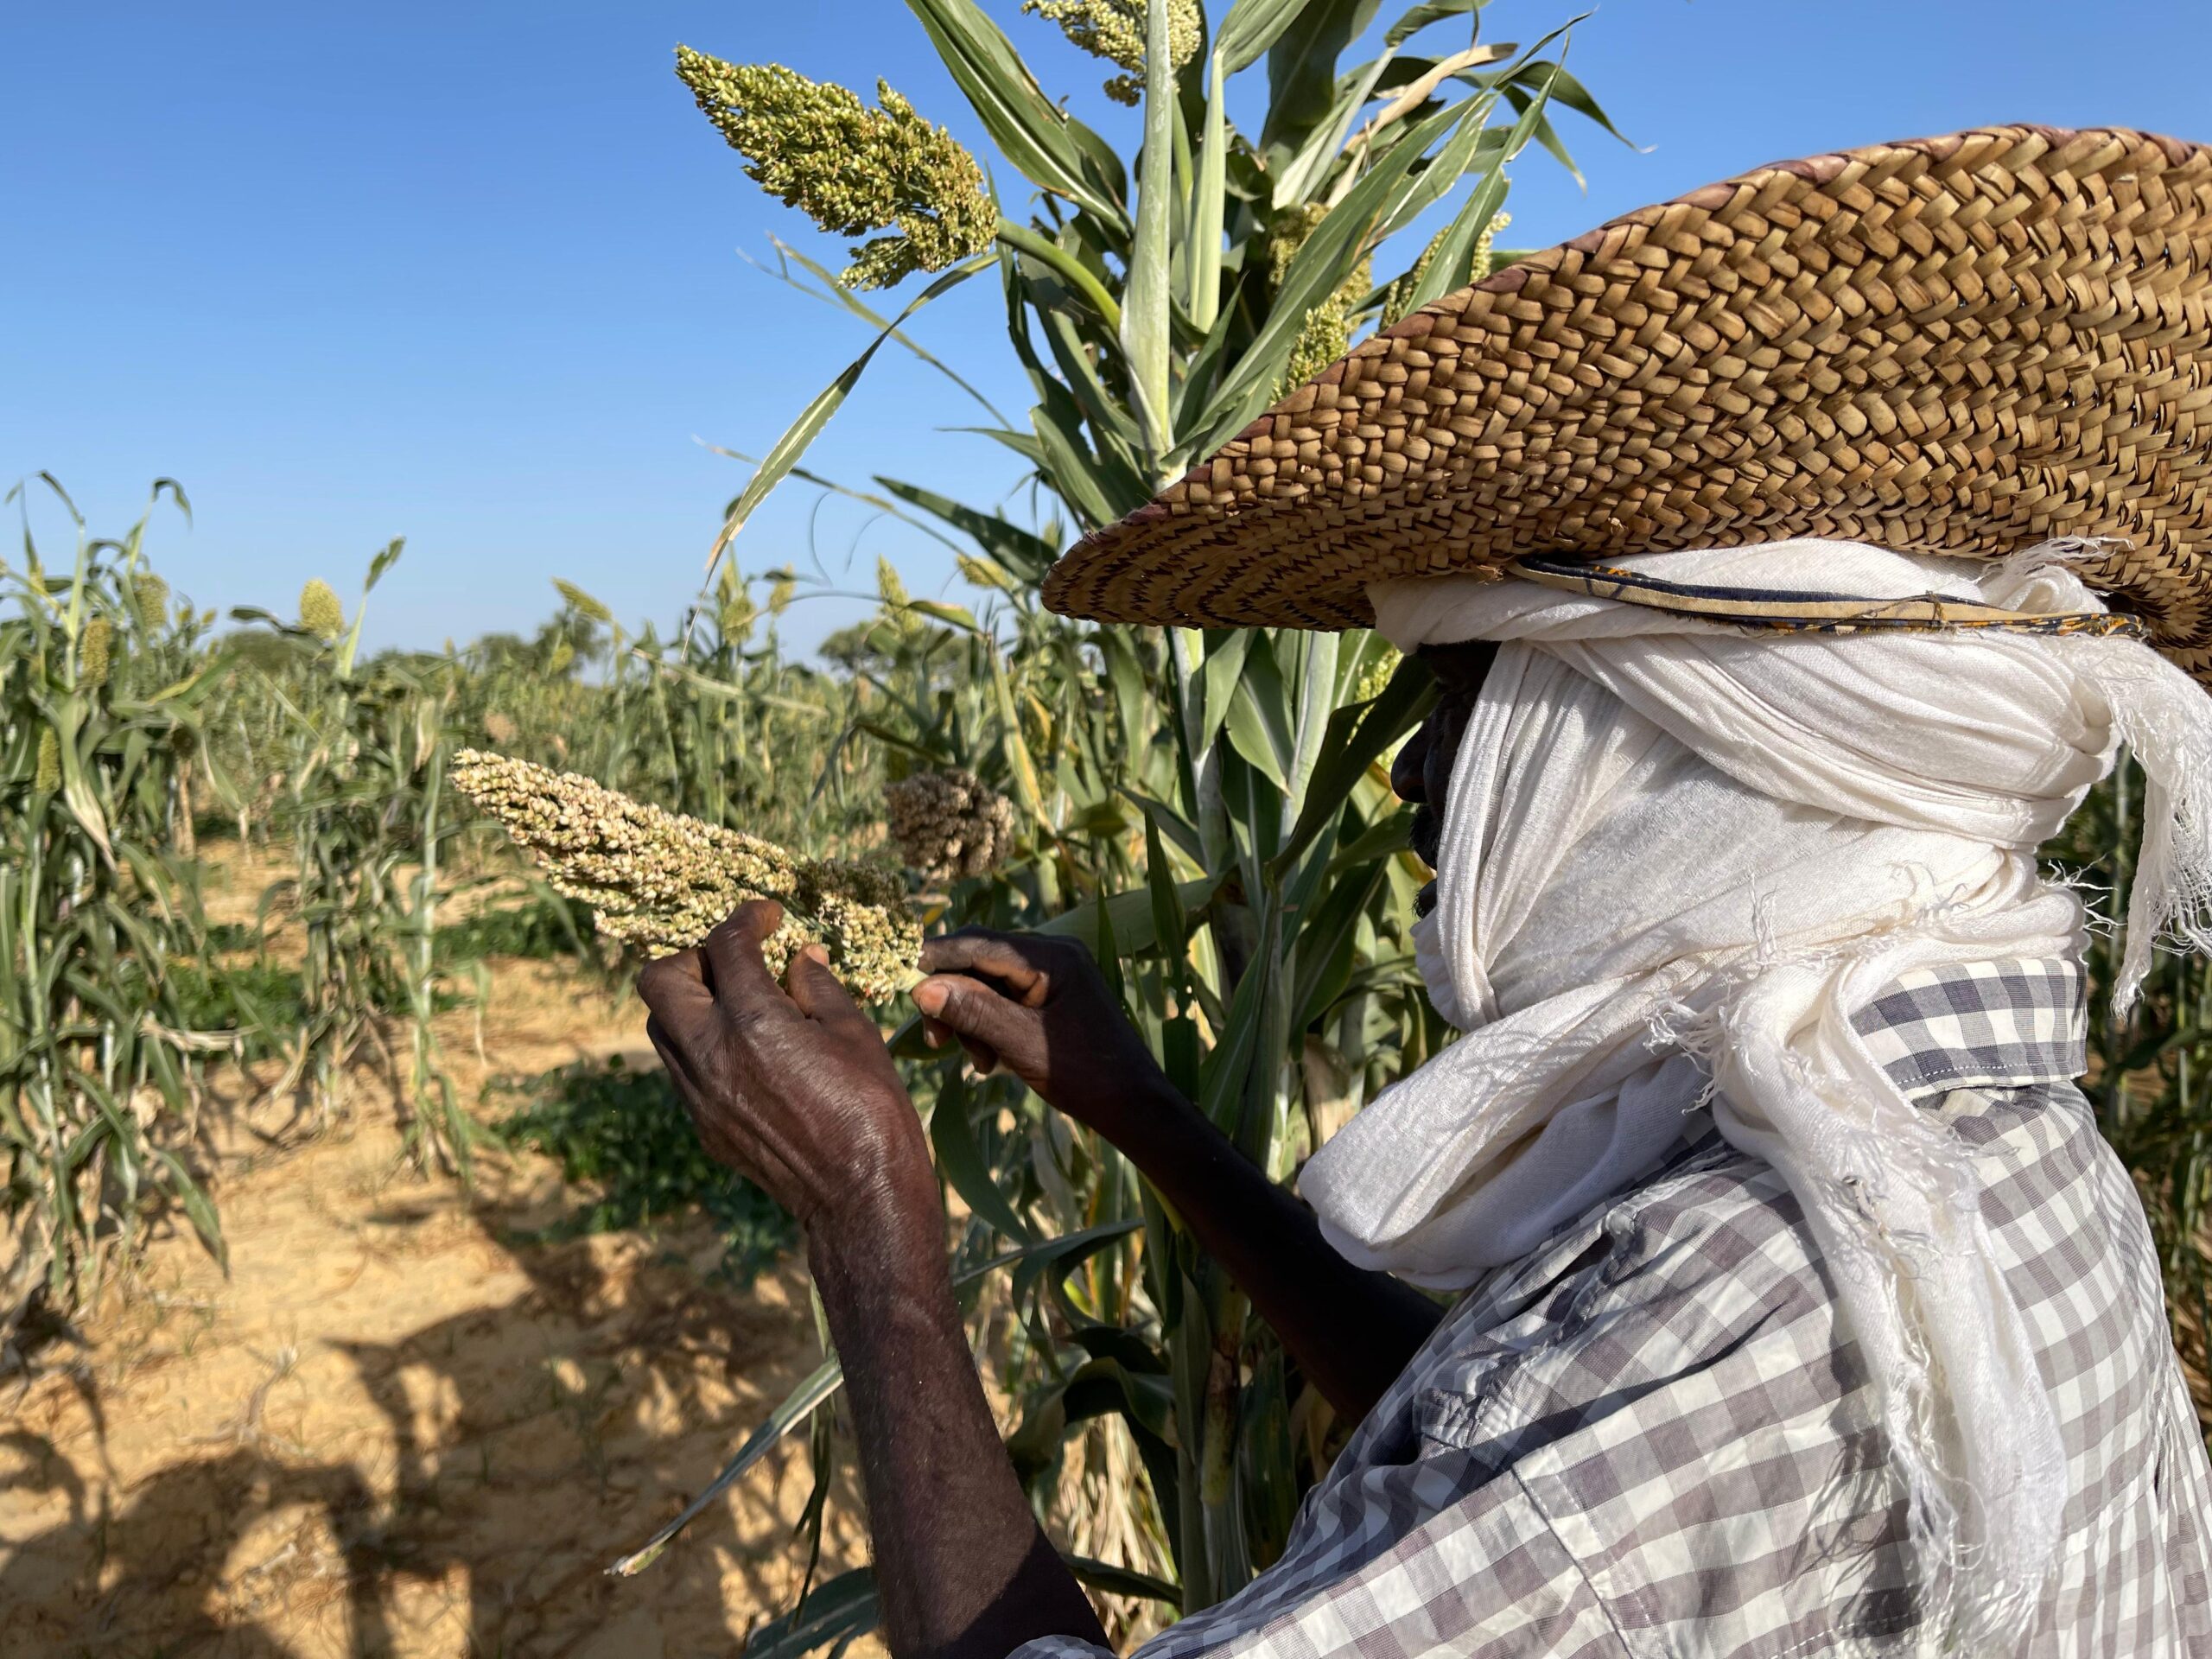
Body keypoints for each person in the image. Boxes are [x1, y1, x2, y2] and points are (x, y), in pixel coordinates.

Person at [638, 126, 2212, 1657]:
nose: (1411, 783)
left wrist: (870, 1225)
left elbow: (1584, 1479)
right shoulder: (1953, 1138)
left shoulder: (1753, 1297)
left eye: (1464, 704)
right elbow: (1505, 1448)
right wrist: (1145, 1110)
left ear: (1657, 744)